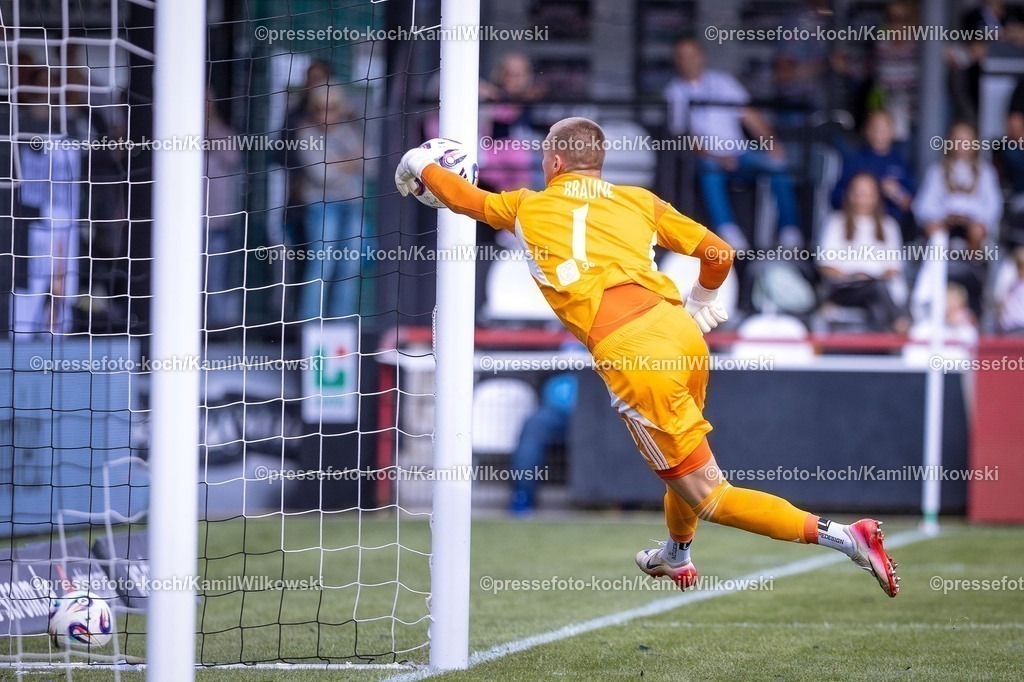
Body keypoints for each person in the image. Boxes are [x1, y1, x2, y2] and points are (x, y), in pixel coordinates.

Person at [395, 117, 900, 597]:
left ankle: (846, 537)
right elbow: (719, 253)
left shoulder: (526, 205)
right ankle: (676, 553)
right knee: (681, 469)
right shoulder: (636, 200)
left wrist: (420, 161)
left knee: (711, 495)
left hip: (633, 355)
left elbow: (461, 197)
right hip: (681, 334)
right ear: (599, 162)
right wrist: (702, 300)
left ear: (553, 162)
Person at [664, 37, 803, 251]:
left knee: (777, 166)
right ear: (676, 61)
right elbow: (685, 137)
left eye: (691, 55)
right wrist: (717, 157)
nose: (688, 60)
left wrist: (771, 143)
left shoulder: (723, 81)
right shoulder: (674, 91)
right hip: (709, 158)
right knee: (709, 170)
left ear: (701, 56)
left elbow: (749, 115)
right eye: (682, 56)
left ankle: (789, 231)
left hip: (741, 153)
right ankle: (728, 231)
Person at [912, 121, 1002, 317]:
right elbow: (923, 207)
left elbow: (993, 208)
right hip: (946, 226)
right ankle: (934, 278)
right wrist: (945, 216)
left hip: (973, 230)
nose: (962, 144)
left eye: (967, 140)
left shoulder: (985, 173)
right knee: (933, 229)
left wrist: (969, 215)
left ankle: (972, 270)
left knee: (977, 230)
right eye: (957, 140)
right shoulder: (936, 171)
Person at [295, 85, 365, 320]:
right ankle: (310, 329)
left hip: (352, 204)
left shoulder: (348, 130)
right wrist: (351, 162)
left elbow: (371, 162)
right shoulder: (305, 133)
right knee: (321, 266)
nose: (326, 114)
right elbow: (321, 174)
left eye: (332, 108)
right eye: (320, 108)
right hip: (322, 206)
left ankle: (340, 330)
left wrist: (335, 161)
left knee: (349, 268)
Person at [819, 173, 909, 332]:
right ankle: (898, 324)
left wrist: (870, 278)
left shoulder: (889, 225)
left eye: (868, 194)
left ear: (877, 196)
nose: (863, 199)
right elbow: (826, 265)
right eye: (858, 193)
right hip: (846, 287)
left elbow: (894, 268)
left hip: (878, 286)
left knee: (877, 295)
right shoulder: (836, 222)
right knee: (877, 290)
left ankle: (879, 346)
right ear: (850, 195)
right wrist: (855, 277)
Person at [831, 111, 915, 236]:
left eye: (884, 128)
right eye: (875, 128)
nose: (879, 133)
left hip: (893, 221)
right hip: (858, 222)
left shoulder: (901, 160)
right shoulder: (856, 160)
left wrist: (896, 193)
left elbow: (911, 202)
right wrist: (861, 195)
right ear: (866, 131)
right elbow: (836, 197)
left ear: (893, 131)